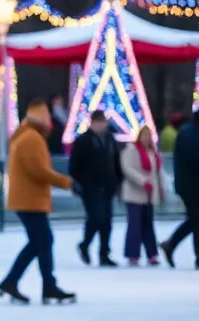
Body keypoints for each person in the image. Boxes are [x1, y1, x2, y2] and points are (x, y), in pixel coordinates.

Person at [0, 100, 76, 304]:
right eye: (48, 118)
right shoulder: (32, 138)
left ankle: (13, 282)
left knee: (39, 242)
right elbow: (39, 171)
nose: (50, 122)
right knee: (43, 240)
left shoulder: (26, 135)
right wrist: (68, 183)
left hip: (27, 199)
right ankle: (46, 286)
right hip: (29, 200)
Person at [68, 110, 120, 267]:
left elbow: (116, 162)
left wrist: (118, 181)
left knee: (107, 221)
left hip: (108, 186)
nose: (101, 125)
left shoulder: (110, 140)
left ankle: (104, 253)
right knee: (97, 217)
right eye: (98, 122)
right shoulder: (83, 141)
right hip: (90, 187)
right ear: (92, 123)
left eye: (103, 122)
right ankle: (85, 244)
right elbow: (74, 166)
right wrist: (79, 184)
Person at [120, 125, 165, 266]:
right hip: (135, 193)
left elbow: (158, 173)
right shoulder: (132, 150)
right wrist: (142, 181)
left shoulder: (153, 153)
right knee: (135, 225)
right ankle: (133, 254)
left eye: (149, 136)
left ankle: (152, 254)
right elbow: (127, 168)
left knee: (148, 224)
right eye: (144, 135)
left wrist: (161, 188)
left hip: (149, 195)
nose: (146, 138)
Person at [163, 109, 199, 268]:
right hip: (191, 186)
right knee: (196, 220)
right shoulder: (188, 134)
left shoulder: (190, 132)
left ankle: (171, 244)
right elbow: (194, 158)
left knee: (195, 220)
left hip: (191, 185)